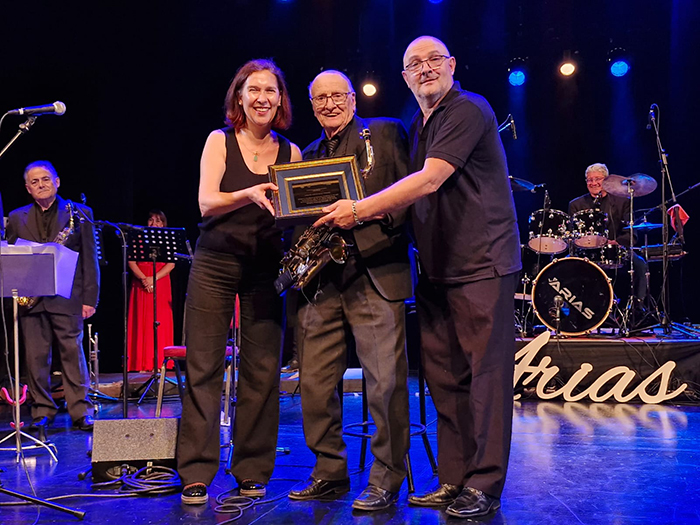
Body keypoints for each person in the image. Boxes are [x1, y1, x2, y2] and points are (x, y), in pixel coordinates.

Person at [315, 36, 521, 519]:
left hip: (482, 265)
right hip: (437, 271)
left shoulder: (468, 109)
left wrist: (357, 210)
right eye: (414, 64)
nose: (425, 69)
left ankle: (485, 484)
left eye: (433, 60)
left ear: (451, 65)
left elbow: (428, 180)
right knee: (445, 380)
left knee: (486, 380)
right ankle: (454, 478)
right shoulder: (419, 124)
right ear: (405, 78)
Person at [176, 59, 302, 505]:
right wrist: (247, 193)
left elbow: (293, 213)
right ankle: (195, 470)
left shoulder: (291, 154)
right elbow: (205, 202)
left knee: (262, 371)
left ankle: (252, 469)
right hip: (214, 262)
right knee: (204, 365)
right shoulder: (220, 141)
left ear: (280, 100)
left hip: (266, 267)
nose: (263, 98)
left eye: (271, 91)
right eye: (254, 90)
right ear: (240, 98)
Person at [287, 70, 412, 511]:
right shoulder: (309, 152)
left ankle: (385, 479)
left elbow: (409, 195)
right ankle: (329, 472)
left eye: (337, 95)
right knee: (315, 384)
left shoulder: (385, 131)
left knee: (384, 385)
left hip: (376, 271)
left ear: (353, 98)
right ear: (311, 103)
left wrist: (361, 217)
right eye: (320, 98)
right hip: (323, 281)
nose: (329, 104)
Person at [6, 160, 99, 432]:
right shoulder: (15, 217)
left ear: (57, 182)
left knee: (73, 355)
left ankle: (81, 411)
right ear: (27, 188)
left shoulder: (80, 213)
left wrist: (89, 300)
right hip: (31, 299)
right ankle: (42, 411)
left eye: (45, 179)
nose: (41, 185)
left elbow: (90, 261)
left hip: (68, 297)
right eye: (34, 182)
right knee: (36, 358)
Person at [569, 163, 648, 302]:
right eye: (589, 180)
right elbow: (572, 233)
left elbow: (631, 234)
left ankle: (638, 306)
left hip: (617, 248)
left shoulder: (622, 201)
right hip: (586, 252)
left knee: (640, 264)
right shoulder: (576, 204)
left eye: (597, 179)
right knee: (565, 265)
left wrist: (615, 242)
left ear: (606, 180)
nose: (593, 183)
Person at [126, 209, 175, 372]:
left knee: (160, 322)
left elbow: (171, 264)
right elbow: (132, 261)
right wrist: (143, 279)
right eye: (151, 220)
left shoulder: (168, 240)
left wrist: (153, 278)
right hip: (141, 282)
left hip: (160, 282)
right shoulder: (138, 238)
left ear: (164, 224)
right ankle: (141, 363)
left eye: (158, 221)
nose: (154, 224)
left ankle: (160, 362)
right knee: (142, 321)